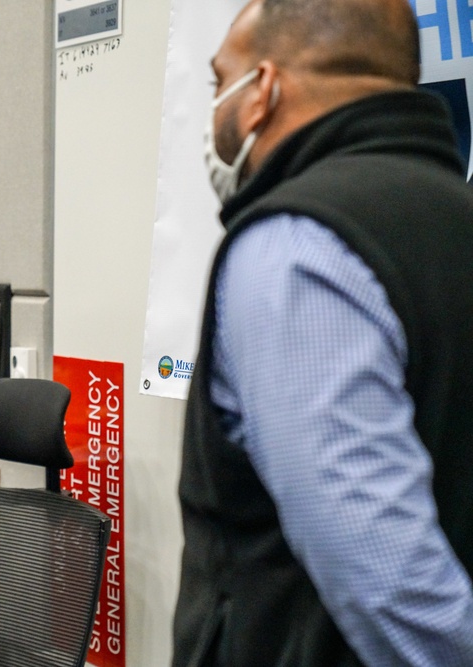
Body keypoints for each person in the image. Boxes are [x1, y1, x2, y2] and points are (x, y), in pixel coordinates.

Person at [174, 1, 473, 665]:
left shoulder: (298, 247)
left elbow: (379, 571)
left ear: (263, 92)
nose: (216, 106)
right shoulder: (454, 213)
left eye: (220, 81)